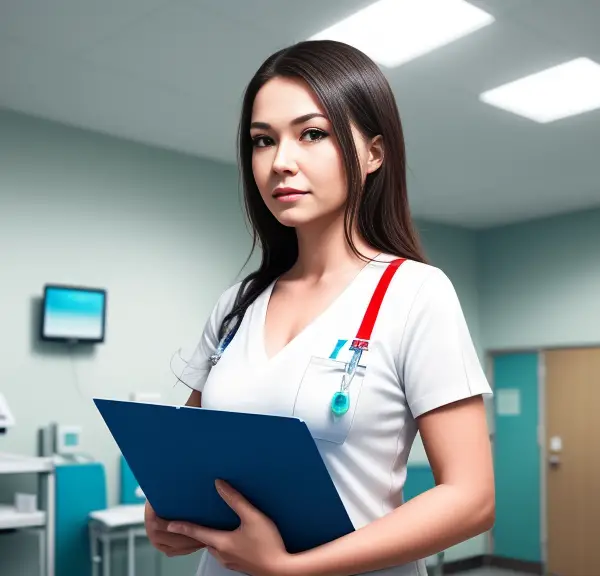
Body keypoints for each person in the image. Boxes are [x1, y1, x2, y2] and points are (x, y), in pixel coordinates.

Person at [144, 39, 494, 576]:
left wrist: (293, 568)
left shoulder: (415, 293)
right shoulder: (236, 306)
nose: (281, 162)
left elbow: (470, 498)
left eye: (312, 134)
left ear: (374, 153)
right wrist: (167, 516)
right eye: (263, 141)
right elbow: (186, 460)